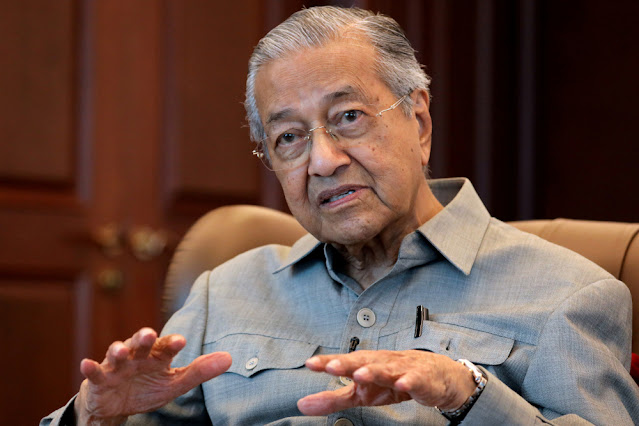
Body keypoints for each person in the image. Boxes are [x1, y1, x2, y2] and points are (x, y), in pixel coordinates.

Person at [43, 6, 638, 425]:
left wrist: (469, 393)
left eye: (348, 117)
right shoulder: (225, 292)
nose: (323, 160)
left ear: (419, 122)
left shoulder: (569, 295)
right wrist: (93, 417)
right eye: (289, 137)